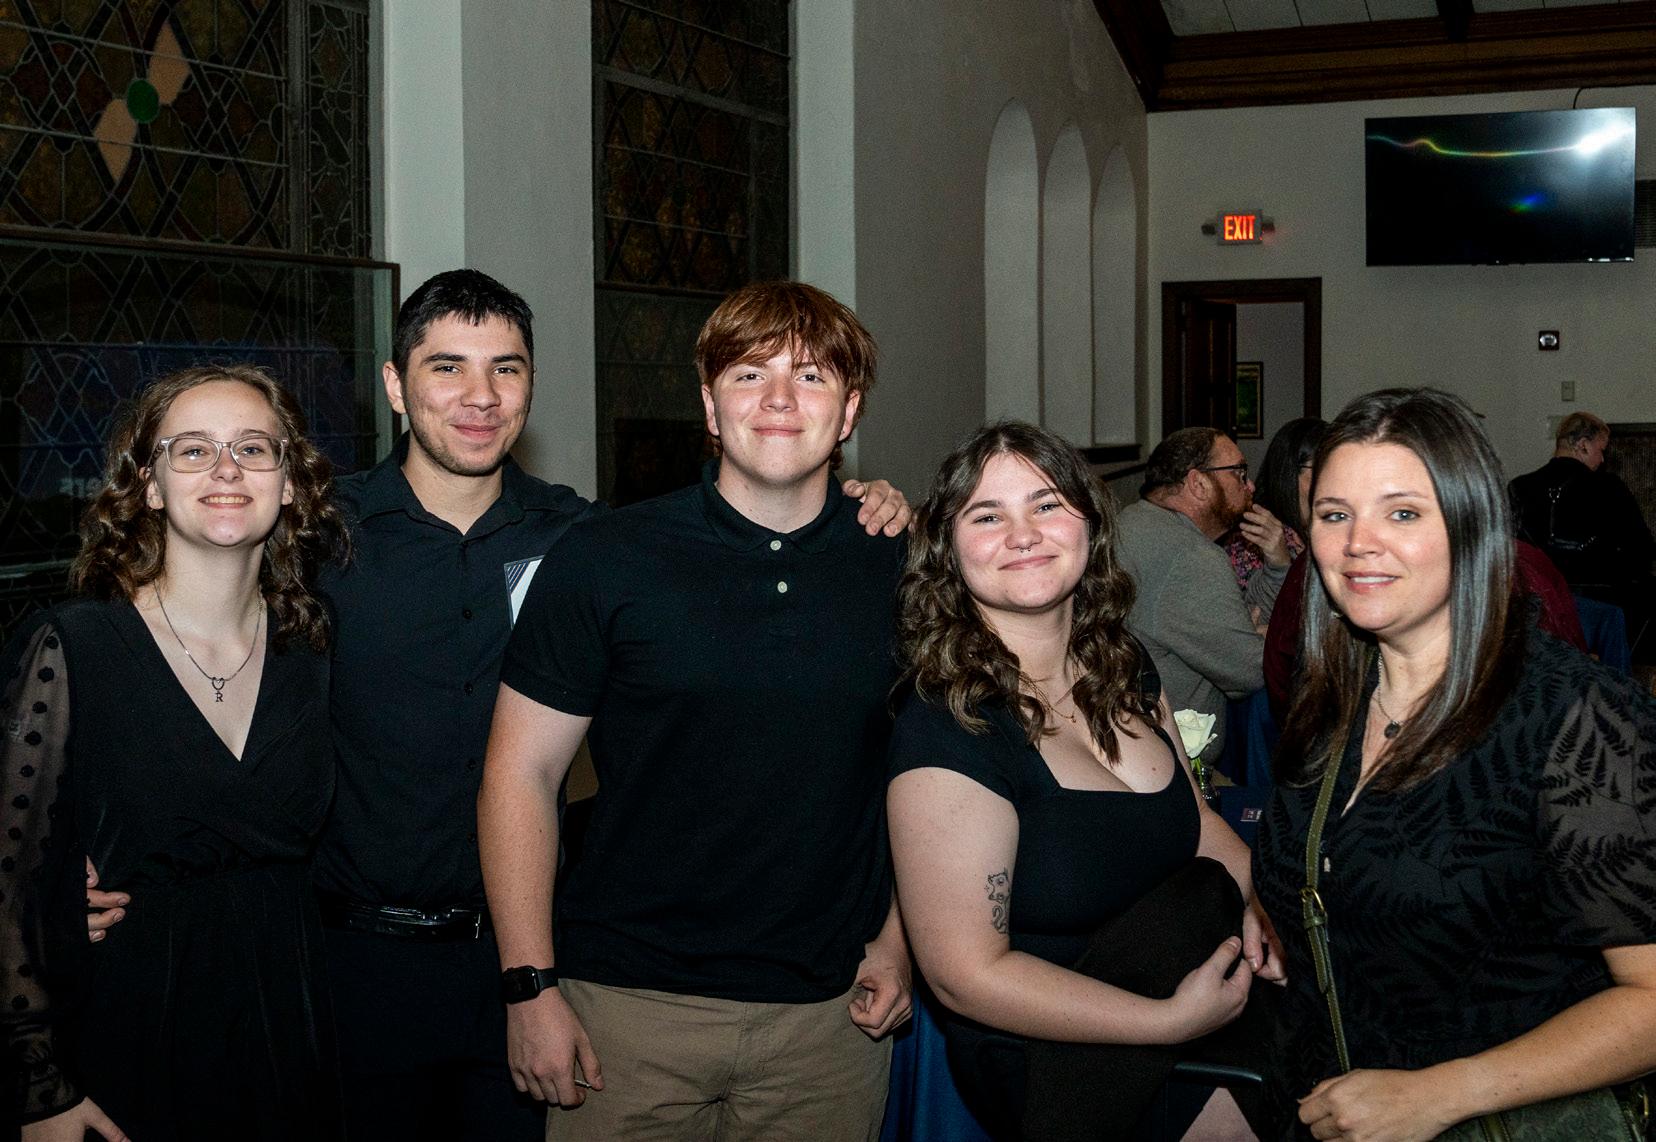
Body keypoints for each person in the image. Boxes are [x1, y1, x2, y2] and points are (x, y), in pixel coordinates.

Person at [81, 270, 909, 1142]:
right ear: (396, 385)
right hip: (348, 959)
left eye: (505, 369)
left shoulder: (583, 539)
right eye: (447, 367)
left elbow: (737, 555)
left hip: (537, 956)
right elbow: (172, 662)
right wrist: (82, 841)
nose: (480, 396)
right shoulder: (313, 535)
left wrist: (862, 501)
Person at [479, 280, 912, 1142]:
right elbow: (520, 773)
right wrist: (529, 987)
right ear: (710, 406)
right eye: (750, 375)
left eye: (812, 377)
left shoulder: (906, 568)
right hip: (626, 1010)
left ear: (851, 411)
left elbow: (935, 778)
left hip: (828, 1019)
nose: (780, 399)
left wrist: (901, 942)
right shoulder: (605, 558)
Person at [1255, 388, 1656, 1140]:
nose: (1358, 542)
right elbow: (1342, 861)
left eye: (1402, 513)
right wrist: (1282, 900)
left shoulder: (1579, 718)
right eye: (1335, 514)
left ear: (1472, 527)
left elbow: (1651, 999)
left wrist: (1440, 1095)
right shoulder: (1334, 696)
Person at [885, 421, 1285, 1142]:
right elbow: (965, 977)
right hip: (1062, 1061)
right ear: (947, 550)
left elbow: (1197, 827)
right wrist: (1167, 1022)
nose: (1024, 534)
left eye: (1046, 505)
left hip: (1193, 993)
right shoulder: (948, 725)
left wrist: (1266, 902)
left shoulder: (1124, 668)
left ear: (1091, 525)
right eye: (987, 516)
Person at [2, 365, 349, 1140]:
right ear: (150, 486)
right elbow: (8, 884)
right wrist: (38, 1088)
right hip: (124, 1034)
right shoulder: (71, 648)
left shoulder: (315, 645)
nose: (226, 469)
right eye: (192, 450)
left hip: (289, 1031)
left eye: (252, 448)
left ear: (290, 483)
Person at [1114, 427, 1265, 759]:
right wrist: (1259, 637)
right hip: (1173, 764)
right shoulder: (1191, 557)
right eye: (1239, 473)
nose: (1250, 485)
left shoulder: (1130, 520)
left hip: (1124, 746)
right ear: (1198, 484)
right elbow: (1251, 671)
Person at [1223, 417, 1325, 611]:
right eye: (1322, 468)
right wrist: (1280, 563)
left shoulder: (1327, 528)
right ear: (1290, 471)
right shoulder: (1254, 535)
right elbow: (1256, 617)